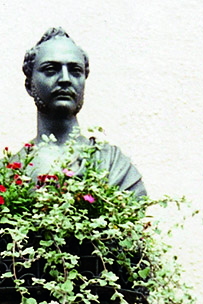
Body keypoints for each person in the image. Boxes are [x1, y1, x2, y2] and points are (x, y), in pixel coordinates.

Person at [22, 27, 147, 199]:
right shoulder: (7, 173)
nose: (65, 79)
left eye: (75, 71)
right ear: (29, 85)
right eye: (51, 69)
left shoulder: (115, 166)